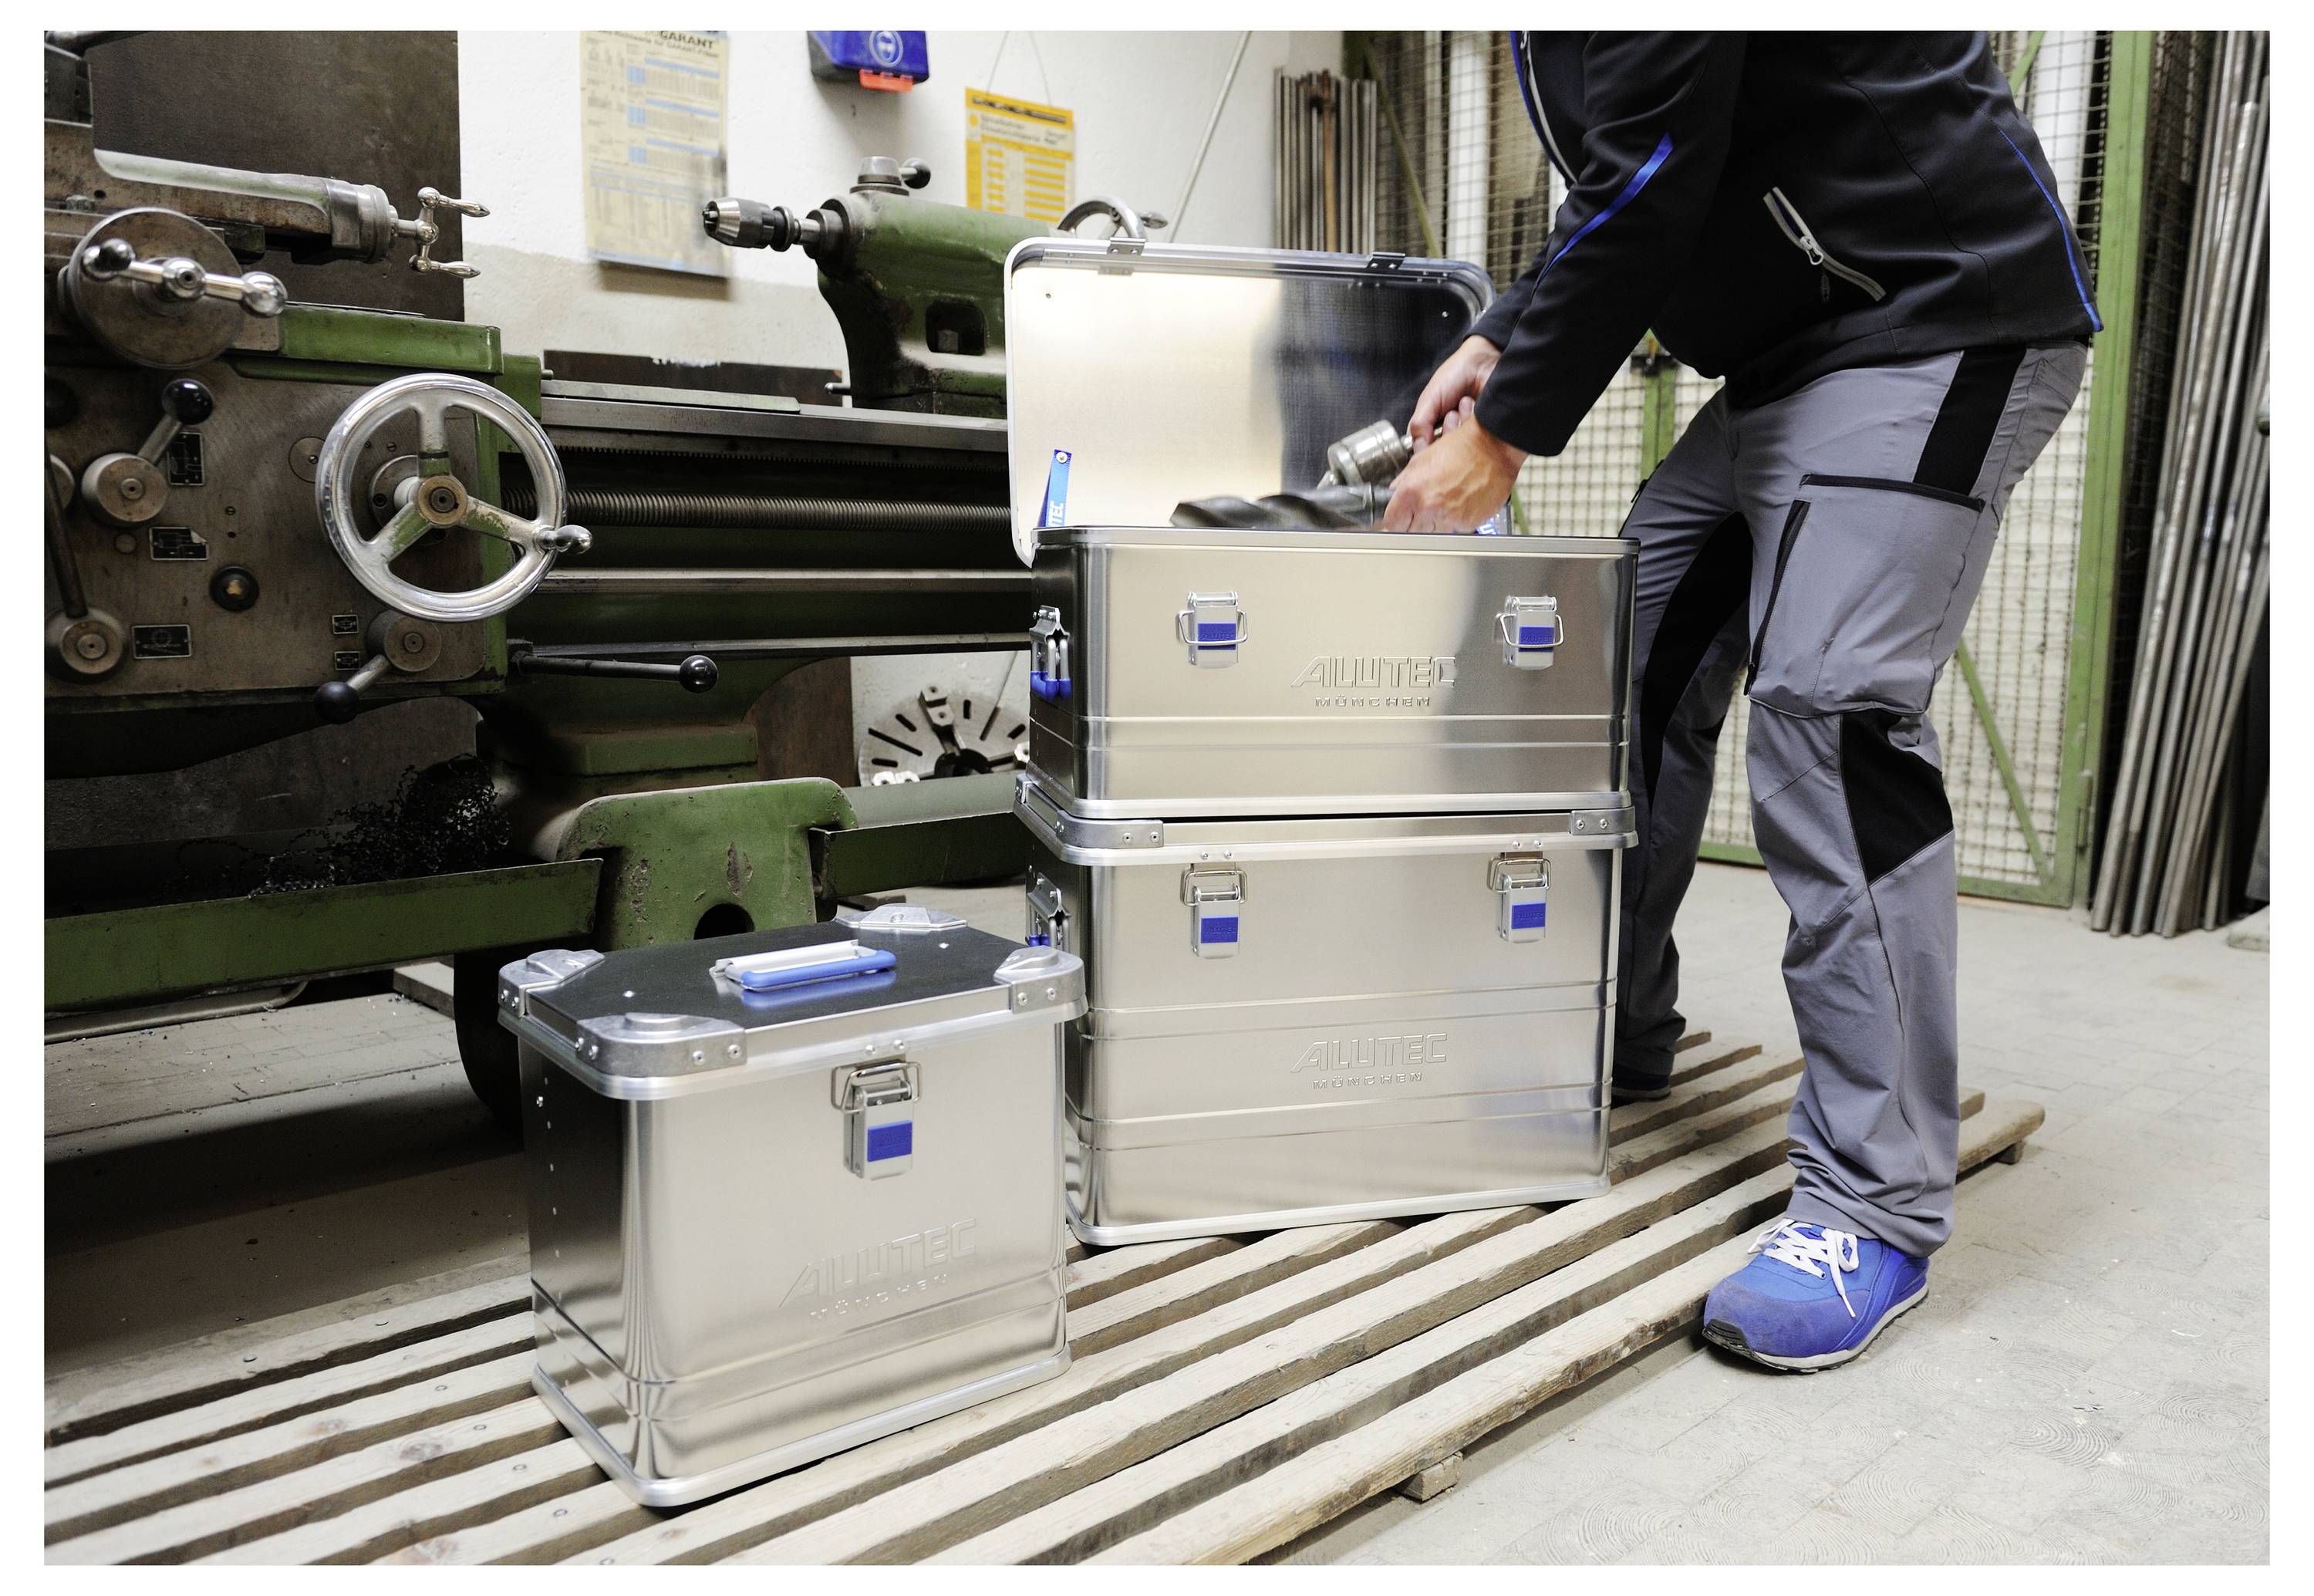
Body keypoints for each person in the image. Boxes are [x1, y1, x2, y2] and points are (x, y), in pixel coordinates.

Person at [1386, 32, 2094, 1371]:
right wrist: (1499, 331)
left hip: (1941, 313)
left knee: (1830, 714)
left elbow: (1653, 171)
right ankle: (1615, 1027)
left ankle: (1870, 1204)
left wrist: (1509, 427)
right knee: (1619, 663)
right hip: (1793, 357)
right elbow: (1627, 170)